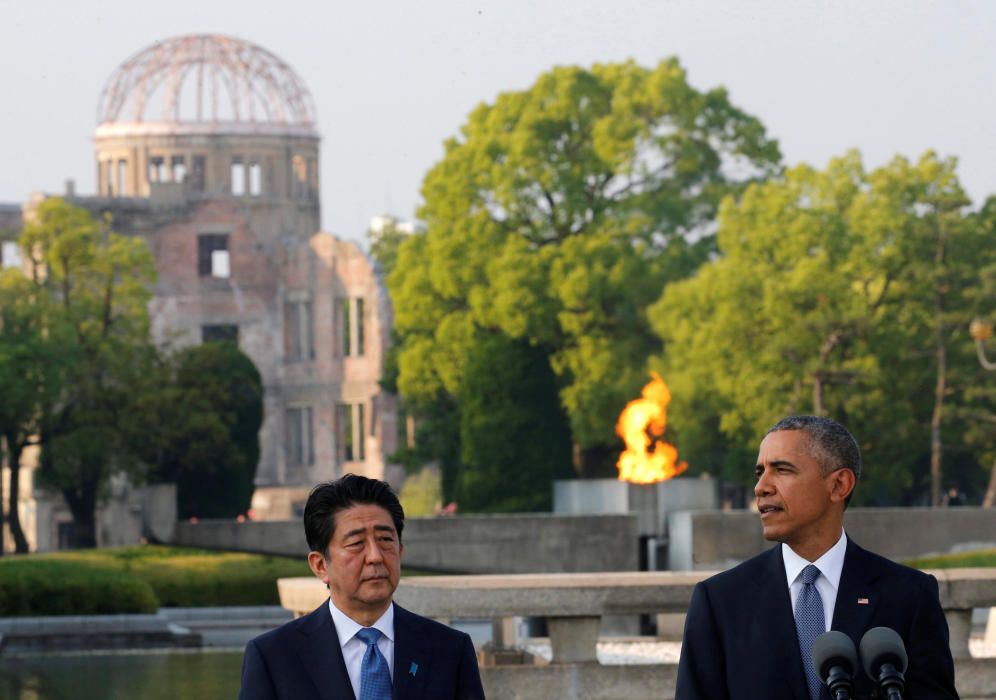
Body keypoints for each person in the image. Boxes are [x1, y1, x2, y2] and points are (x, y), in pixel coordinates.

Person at [675, 415, 958, 699]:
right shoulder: (720, 601)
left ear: (839, 485)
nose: (761, 487)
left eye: (782, 470)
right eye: (759, 472)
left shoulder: (909, 596)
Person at [239, 474, 485, 700]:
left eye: (385, 540)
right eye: (356, 543)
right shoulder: (273, 657)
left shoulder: (449, 649)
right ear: (320, 565)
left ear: (400, 551)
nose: (375, 556)